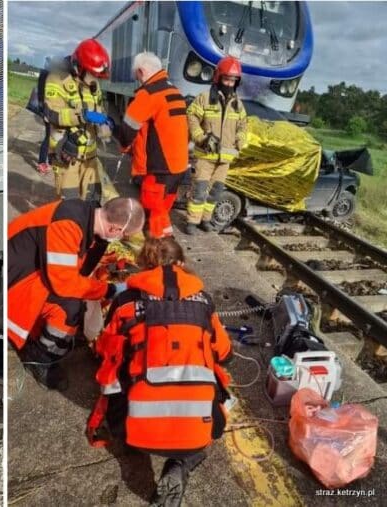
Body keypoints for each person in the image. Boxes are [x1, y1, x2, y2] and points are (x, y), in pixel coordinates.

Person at [90, 237, 233, 506]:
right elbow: (225, 354)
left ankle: (137, 440)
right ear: (181, 263)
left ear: (143, 265)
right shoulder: (205, 303)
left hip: (134, 433)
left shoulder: (125, 302)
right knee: (220, 404)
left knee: (123, 379)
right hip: (195, 434)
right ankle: (182, 463)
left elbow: (105, 354)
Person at [7, 197, 145, 389]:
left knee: (77, 301)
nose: (123, 240)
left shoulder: (87, 219)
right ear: (115, 229)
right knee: (69, 308)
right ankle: (40, 357)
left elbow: (77, 269)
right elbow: (65, 284)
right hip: (15, 281)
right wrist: (109, 290)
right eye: (125, 235)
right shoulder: (68, 225)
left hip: (29, 271)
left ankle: (44, 340)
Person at [118, 52, 189, 238]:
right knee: (163, 212)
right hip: (179, 167)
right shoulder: (175, 91)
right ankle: (164, 248)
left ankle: (161, 253)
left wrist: (124, 146)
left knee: (153, 213)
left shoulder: (148, 94)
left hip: (159, 169)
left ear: (141, 71)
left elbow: (127, 129)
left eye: (136, 75)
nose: (137, 80)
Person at [43, 39, 114, 202]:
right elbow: (52, 114)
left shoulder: (92, 82)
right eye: (92, 74)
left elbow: (98, 108)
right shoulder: (57, 79)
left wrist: (103, 122)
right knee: (70, 206)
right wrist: (83, 115)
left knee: (93, 202)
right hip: (67, 156)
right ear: (78, 67)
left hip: (90, 157)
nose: (94, 78)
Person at [185, 56, 248, 234]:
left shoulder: (238, 104)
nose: (229, 83)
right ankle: (191, 222)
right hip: (205, 156)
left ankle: (205, 220)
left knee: (215, 193)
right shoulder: (204, 98)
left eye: (233, 80)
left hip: (225, 159)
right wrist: (201, 137)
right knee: (199, 190)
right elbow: (191, 117)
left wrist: (240, 140)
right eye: (227, 79)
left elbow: (243, 125)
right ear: (218, 78)